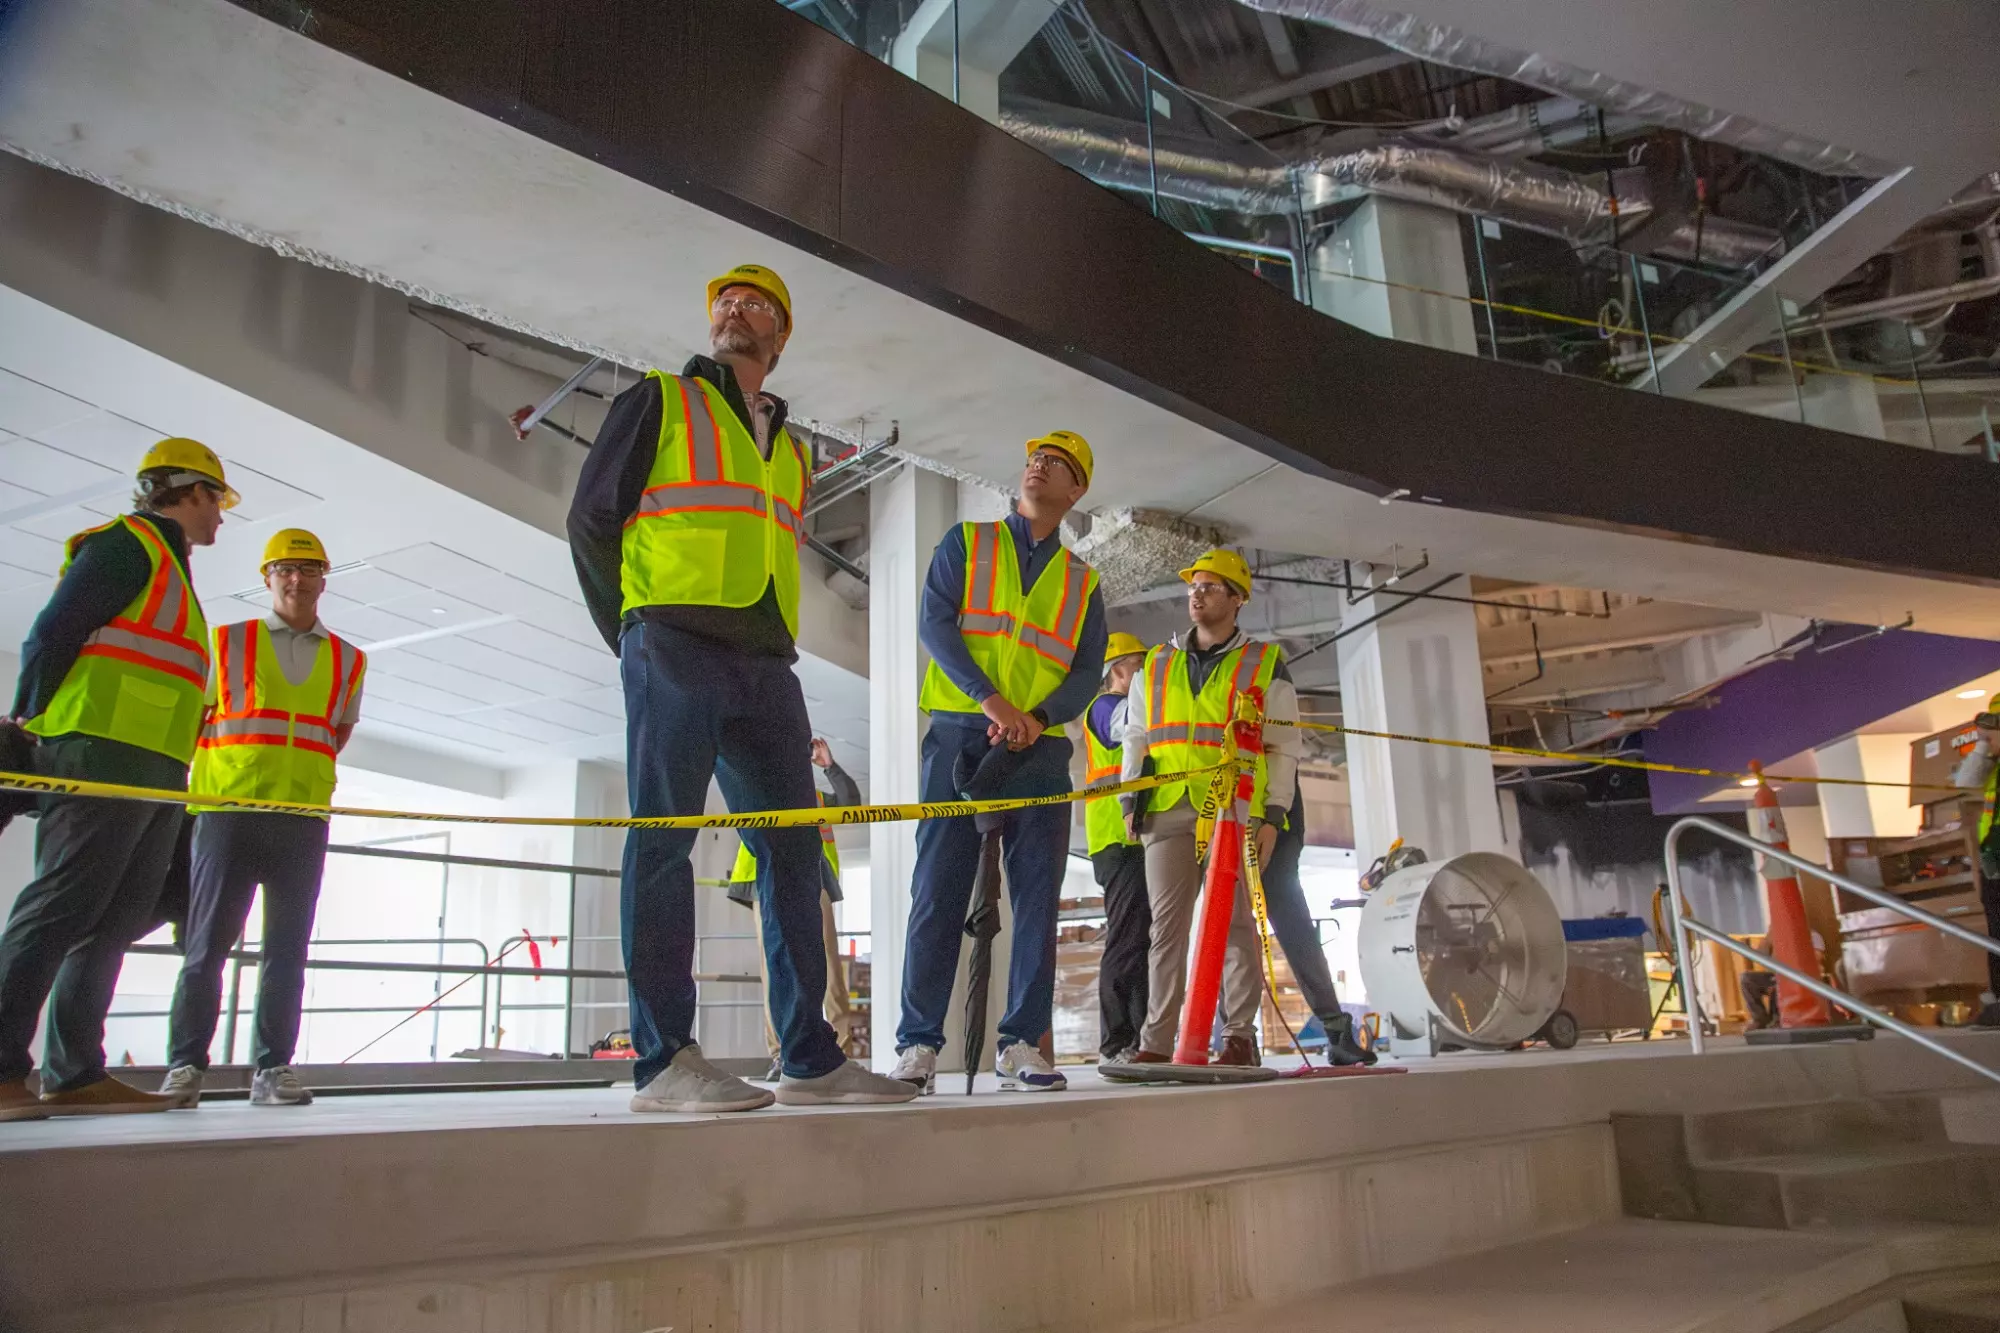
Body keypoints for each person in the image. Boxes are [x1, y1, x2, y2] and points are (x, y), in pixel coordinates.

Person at [567, 263, 914, 1113]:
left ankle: (808, 1055)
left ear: (781, 336)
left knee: (793, 850)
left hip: (764, 660)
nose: (734, 309)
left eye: (755, 303)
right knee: (662, 843)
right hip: (672, 641)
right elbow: (590, 518)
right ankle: (663, 1063)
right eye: (724, 298)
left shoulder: (790, 453)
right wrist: (630, 634)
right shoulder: (660, 400)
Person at [0, 439, 233, 1120]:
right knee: (60, 907)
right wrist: (27, 725)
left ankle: (75, 1072)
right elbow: (51, 635)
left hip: (156, 771)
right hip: (101, 756)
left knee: (116, 916)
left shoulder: (174, 569)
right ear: (189, 491)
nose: (221, 513)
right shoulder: (126, 545)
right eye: (217, 497)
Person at [891, 432, 1108, 1094]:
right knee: (937, 887)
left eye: (1057, 463)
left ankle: (1020, 1042)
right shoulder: (967, 543)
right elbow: (935, 623)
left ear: (1075, 492)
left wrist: (1034, 719)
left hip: (1038, 749)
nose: (1037, 465)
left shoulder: (1083, 582)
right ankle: (918, 1045)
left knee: (1038, 895)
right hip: (960, 732)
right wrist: (992, 701)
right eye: (1035, 457)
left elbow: (1086, 671)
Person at [158, 529, 366, 1107]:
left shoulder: (350, 660)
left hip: (301, 817)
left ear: (325, 578)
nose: (295, 579)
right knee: (205, 948)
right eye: (283, 569)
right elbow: (194, 722)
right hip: (228, 813)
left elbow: (335, 734)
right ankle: (185, 1067)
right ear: (266, 578)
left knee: (288, 951)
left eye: (306, 569)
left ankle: (273, 1069)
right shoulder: (224, 643)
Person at [1120, 549, 1301, 1067]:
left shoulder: (1265, 664)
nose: (1197, 594)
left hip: (1236, 811)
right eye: (1193, 586)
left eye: (1212, 587)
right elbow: (1136, 736)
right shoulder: (1155, 663)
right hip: (1168, 807)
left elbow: (1282, 746)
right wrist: (1131, 796)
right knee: (1166, 929)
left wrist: (1274, 815)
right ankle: (1157, 1041)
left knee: (1238, 924)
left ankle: (1239, 1038)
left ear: (1238, 599)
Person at [728, 737, 860, 1077]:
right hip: (764, 886)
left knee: (829, 968)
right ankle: (781, 1055)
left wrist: (829, 766)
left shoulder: (816, 799)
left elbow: (851, 804)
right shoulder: (756, 788)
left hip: (813, 883)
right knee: (775, 970)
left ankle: (838, 1054)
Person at [1259, 793, 1376, 1065]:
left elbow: (1287, 758)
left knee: (1297, 929)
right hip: (1230, 816)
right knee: (1234, 934)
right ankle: (1238, 1037)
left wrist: (1275, 820)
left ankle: (1336, 1031)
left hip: (1279, 822)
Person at [1083, 631, 1150, 1062]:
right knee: (1126, 939)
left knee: (1142, 939)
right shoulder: (1104, 707)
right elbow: (1125, 729)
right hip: (1114, 837)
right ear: (1118, 670)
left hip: (1135, 836)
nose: (1146, 674)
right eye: (1139, 666)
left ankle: (1141, 1038)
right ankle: (1116, 1041)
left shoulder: (1131, 703)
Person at [1953, 696, 2000, 1027]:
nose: (1984, 741)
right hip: (1992, 855)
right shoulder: (1992, 763)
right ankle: (1998, 1001)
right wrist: (1984, 748)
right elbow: (1966, 782)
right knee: (1995, 931)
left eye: (1990, 734)